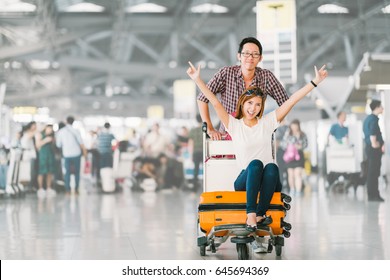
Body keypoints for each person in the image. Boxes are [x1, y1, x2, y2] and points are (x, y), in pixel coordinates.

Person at [187, 61, 327, 241]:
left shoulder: (268, 122)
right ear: (243, 104)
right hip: (245, 181)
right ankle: (252, 214)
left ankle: (259, 215)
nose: (253, 108)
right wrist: (197, 80)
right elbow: (214, 101)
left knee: (272, 168)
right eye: (250, 103)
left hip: (267, 182)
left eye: (258, 105)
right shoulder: (234, 125)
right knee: (256, 164)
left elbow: (291, 100)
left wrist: (315, 82)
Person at [197, 37, 289, 140]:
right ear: (239, 56)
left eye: (255, 54)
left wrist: (271, 125)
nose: (250, 57)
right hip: (228, 137)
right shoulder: (226, 73)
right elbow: (202, 99)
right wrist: (210, 129)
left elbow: (286, 103)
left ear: (260, 58)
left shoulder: (266, 77)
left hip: (255, 137)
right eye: (246, 53)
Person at [56, 116, 87, 195]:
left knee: (67, 173)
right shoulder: (76, 131)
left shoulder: (61, 132)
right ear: (73, 122)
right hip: (76, 154)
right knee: (77, 172)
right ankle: (76, 190)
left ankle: (67, 190)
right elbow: (81, 143)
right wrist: (85, 153)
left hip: (67, 155)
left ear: (66, 121)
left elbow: (58, 145)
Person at [363, 100, 385, 202]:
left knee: (372, 172)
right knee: (374, 172)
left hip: (370, 149)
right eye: (381, 106)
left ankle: (373, 194)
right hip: (373, 149)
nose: (382, 108)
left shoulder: (369, 118)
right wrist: (375, 144)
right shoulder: (373, 119)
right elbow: (372, 132)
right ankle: (373, 195)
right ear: (376, 107)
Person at [280, 119, 308, 195]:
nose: (294, 128)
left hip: (299, 157)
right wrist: (289, 146)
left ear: (298, 126)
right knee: (291, 174)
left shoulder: (302, 134)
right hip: (290, 157)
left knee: (298, 174)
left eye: (296, 126)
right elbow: (283, 145)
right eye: (293, 126)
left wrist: (300, 146)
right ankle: (292, 189)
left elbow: (306, 145)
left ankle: (298, 191)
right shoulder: (288, 134)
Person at [35, 124, 57, 198]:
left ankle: (48, 188)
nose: (49, 130)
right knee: (41, 172)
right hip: (43, 156)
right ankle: (40, 188)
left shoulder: (52, 136)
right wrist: (45, 140)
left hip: (50, 155)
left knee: (49, 172)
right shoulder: (40, 135)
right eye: (48, 128)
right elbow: (37, 145)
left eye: (51, 129)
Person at [188, 114, 204, 190]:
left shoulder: (193, 130)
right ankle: (206, 186)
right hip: (204, 152)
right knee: (206, 170)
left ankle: (194, 188)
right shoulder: (205, 129)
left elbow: (191, 143)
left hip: (196, 152)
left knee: (196, 169)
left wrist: (191, 155)